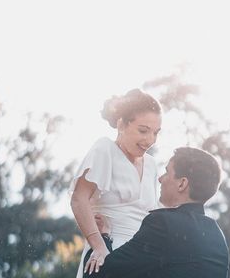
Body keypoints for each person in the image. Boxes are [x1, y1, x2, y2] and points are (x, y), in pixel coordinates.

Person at [84, 147, 229, 278]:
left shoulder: (163, 224)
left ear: (182, 184)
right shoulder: (217, 235)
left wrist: (104, 237)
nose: (160, 179)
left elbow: (100, 275)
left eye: (167, 172)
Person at [70, 89, 163, 278]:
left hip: (143, 261)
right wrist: (99, 246)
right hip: (107, 254)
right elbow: (79, 199)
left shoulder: (152, 165)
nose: (150, 140)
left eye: (156, 133)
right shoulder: (105, 150)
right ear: (121, 124)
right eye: (143, 130)